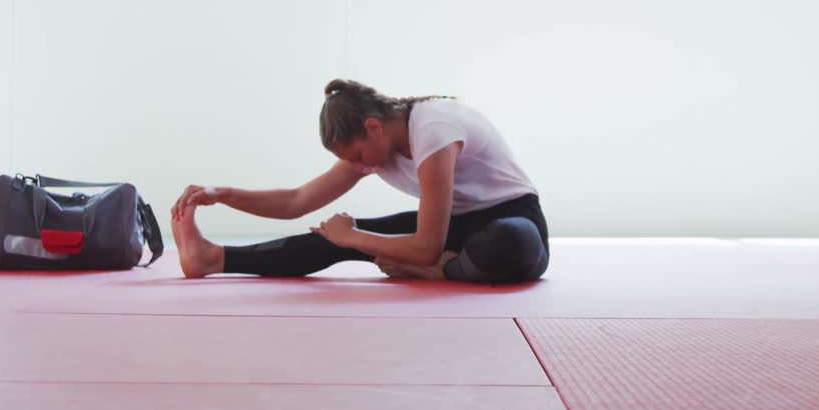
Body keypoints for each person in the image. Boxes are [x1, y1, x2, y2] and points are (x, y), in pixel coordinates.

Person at [169, 79, 549, 283]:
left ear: (373, 127)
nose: (358, 166)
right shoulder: (376, 148)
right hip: (458, 226)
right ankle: (213, 258)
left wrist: (352, 237)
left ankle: (442, 273)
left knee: (511, 242)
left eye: (356, 156)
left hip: (513, 219)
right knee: (331, 238)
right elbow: (296, 202)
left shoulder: (433, 129)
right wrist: (223, 194)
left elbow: (427, 246)